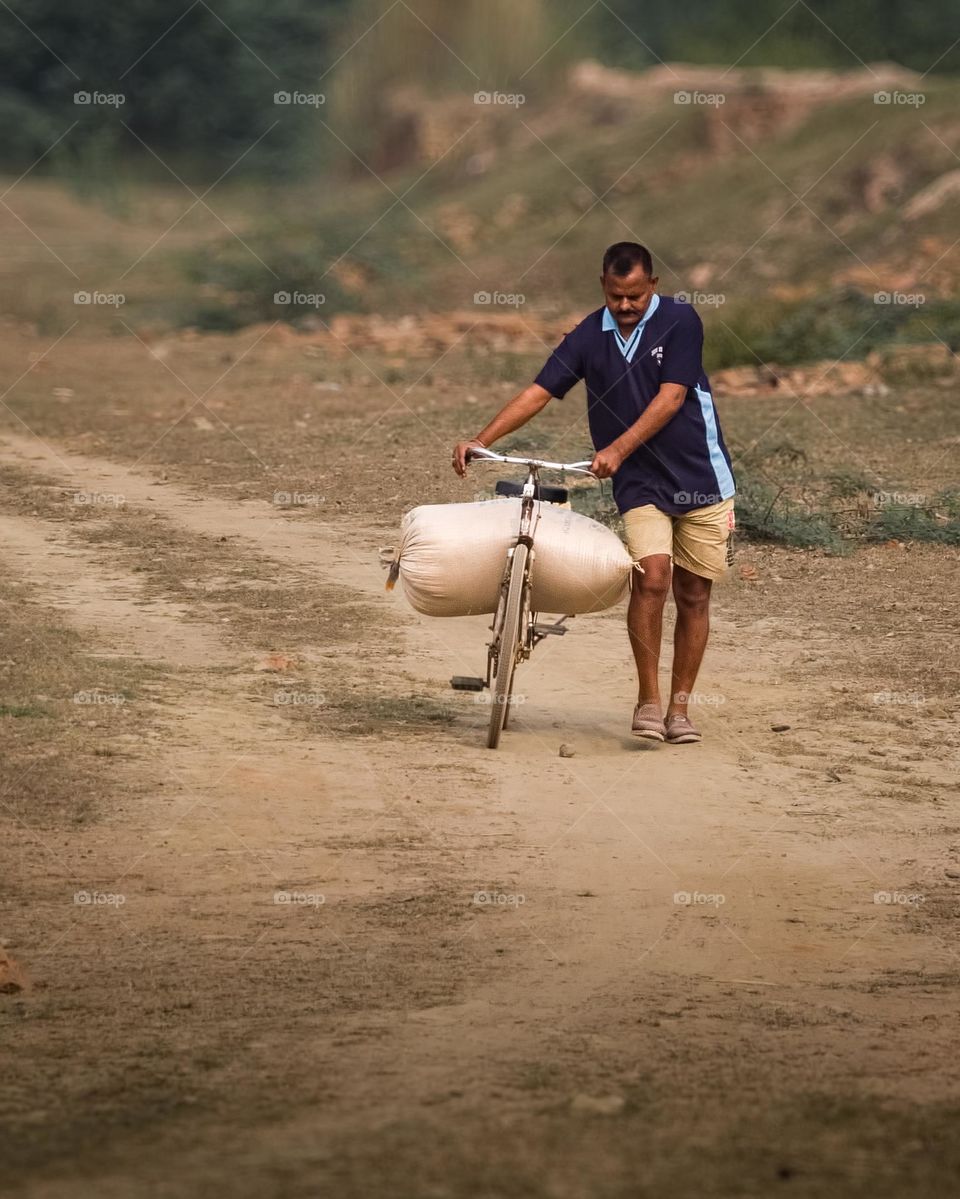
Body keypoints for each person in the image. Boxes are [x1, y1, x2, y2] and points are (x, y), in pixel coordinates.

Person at [452, 241, 736, 745]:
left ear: (653, 285)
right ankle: (648, 702)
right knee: (652, 579)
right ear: (602, 287)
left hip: (701, 478)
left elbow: (671, 399)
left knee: (694, 595)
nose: (625, 307)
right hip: (640, 481)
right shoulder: (589, 334)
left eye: (634, 296)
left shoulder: (681, 321)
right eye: (615, 297)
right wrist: (482, 439)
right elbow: (539, 391)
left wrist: (618, 448)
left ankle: (681, 709)